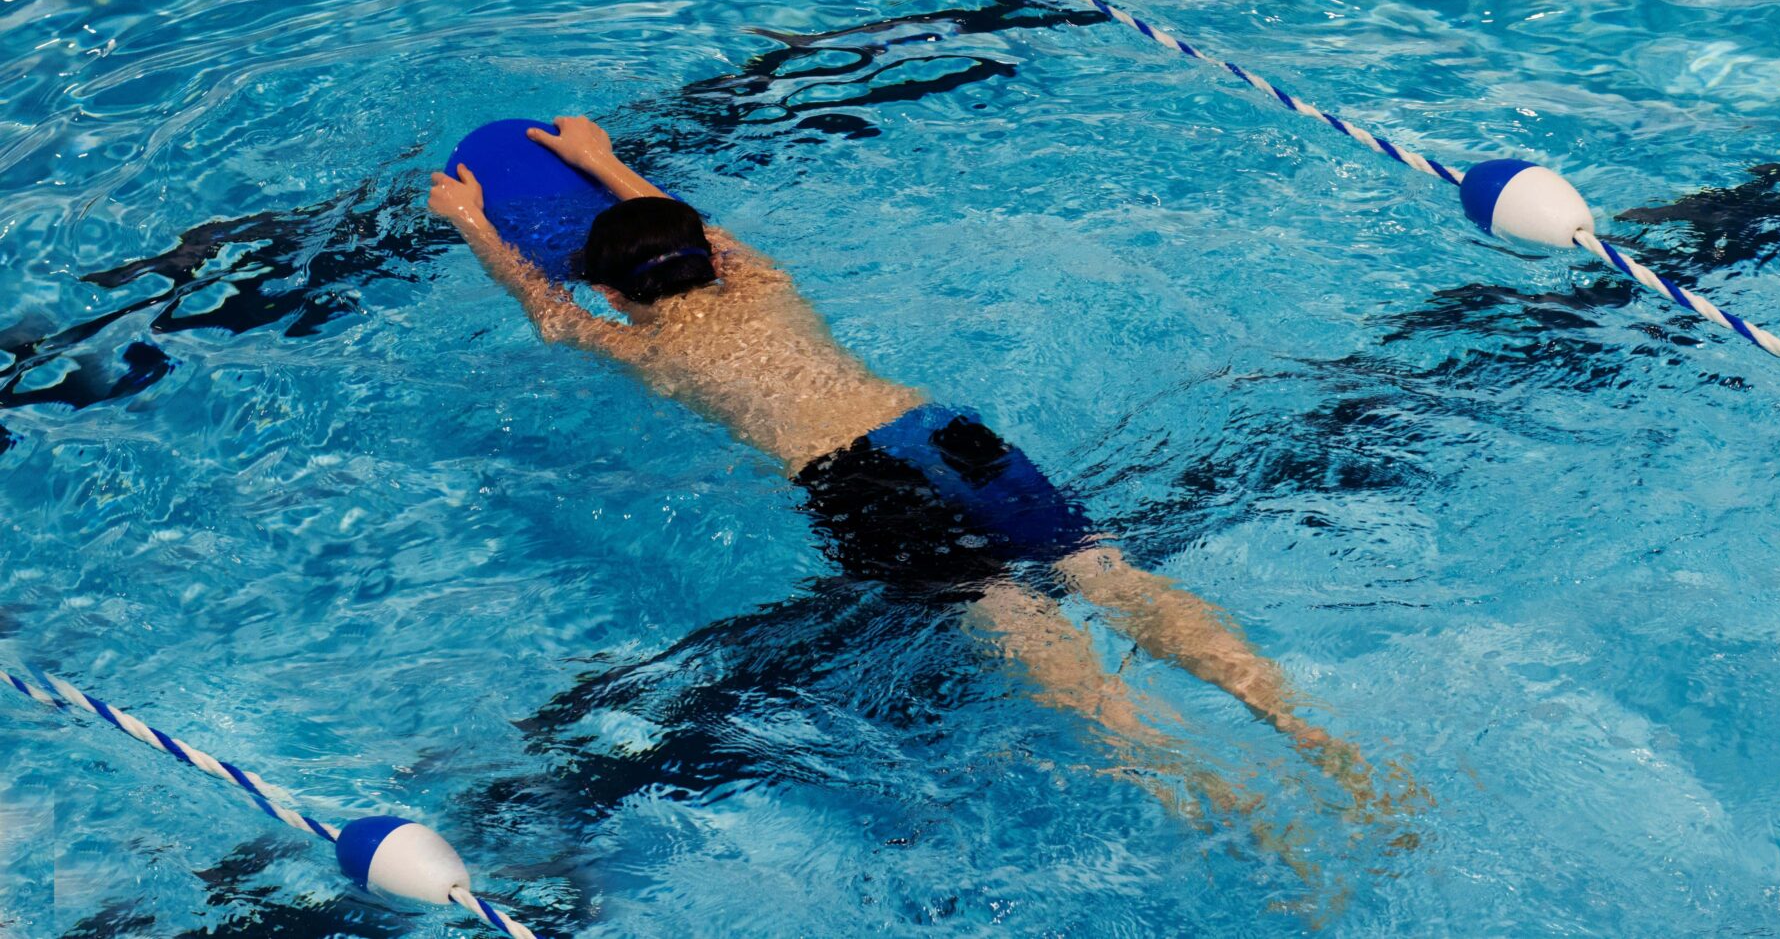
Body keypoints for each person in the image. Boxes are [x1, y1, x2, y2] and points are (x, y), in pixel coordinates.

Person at [427, 115, 1395, 822]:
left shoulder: (650, 350)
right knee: (1107, 573)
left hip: (857, 480)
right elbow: (696, 227)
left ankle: (1226, 803)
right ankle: (1315, 736)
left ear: (609, 289)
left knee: (1014, 617)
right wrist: (602, 161)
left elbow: (549, 313)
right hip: (943, 432)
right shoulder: (765, 283)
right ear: (709, 261)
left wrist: (475, 220)